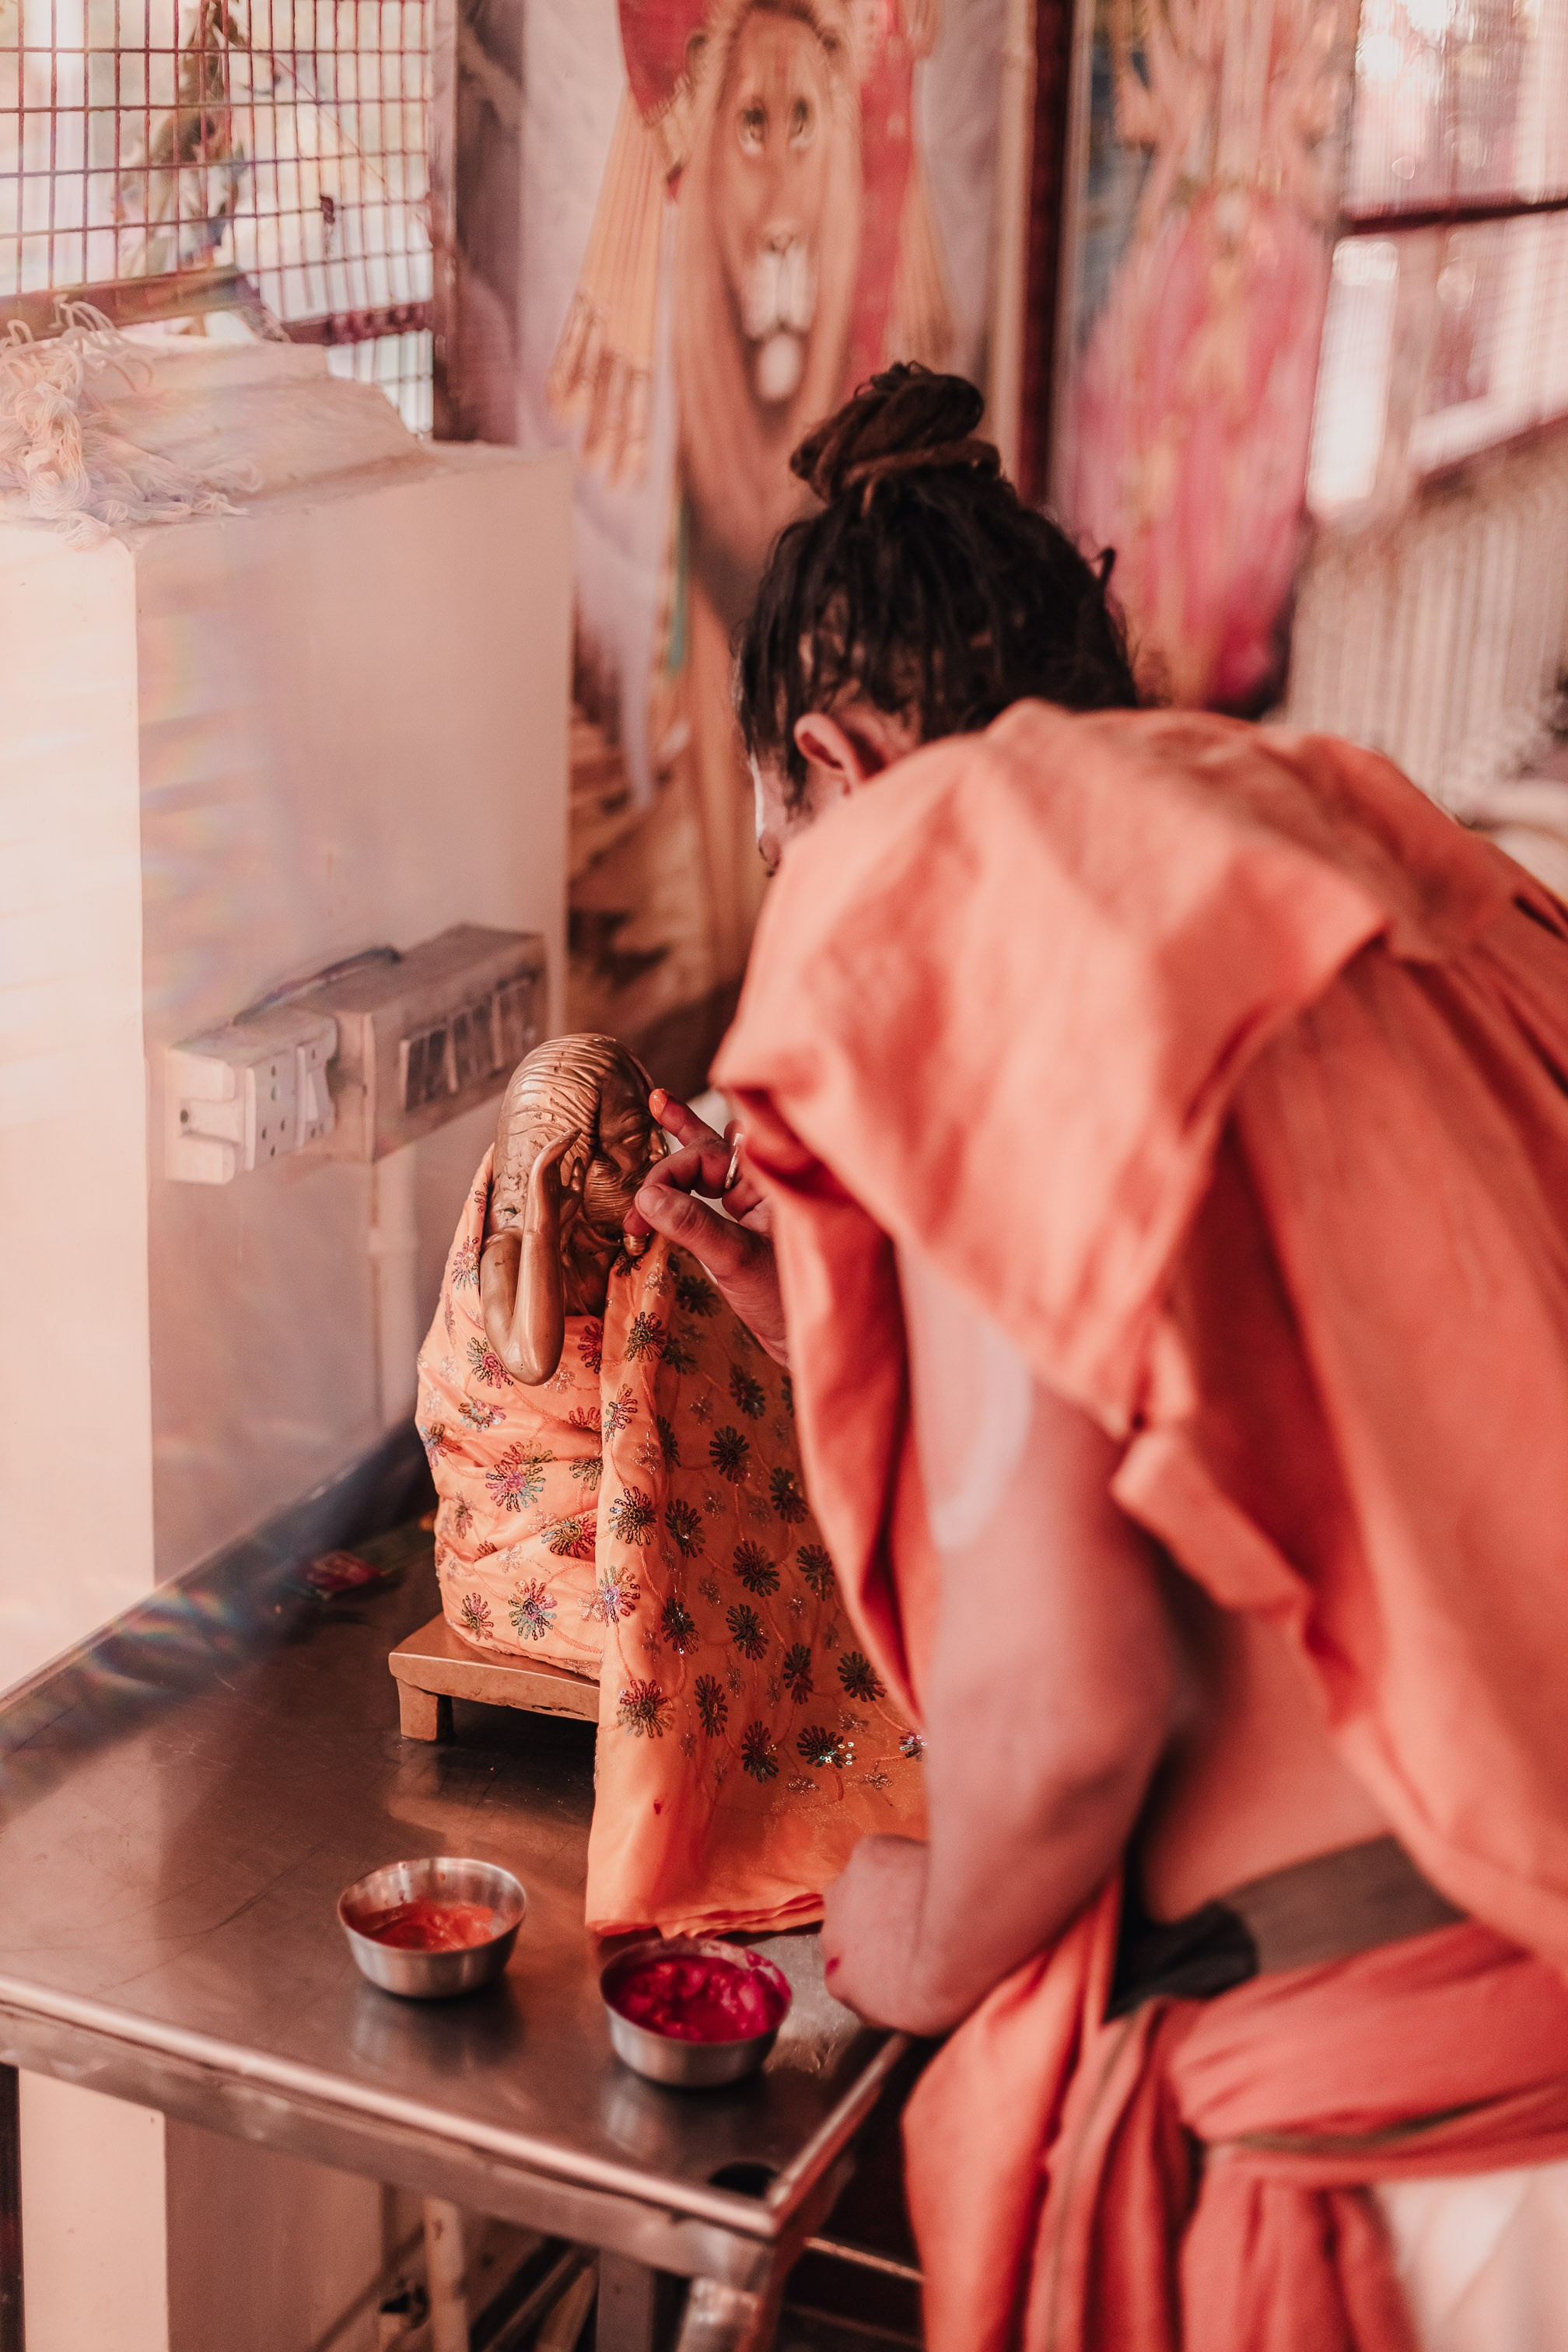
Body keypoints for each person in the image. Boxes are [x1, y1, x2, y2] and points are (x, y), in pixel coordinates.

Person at [623, 364, 1568, 2351]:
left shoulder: (972, 886)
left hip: (1414, 2139)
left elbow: (1063, 1725)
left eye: (790, 853)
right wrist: (844, 1340)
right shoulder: (1289, 844)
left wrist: (903, 1932)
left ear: (832, 772)